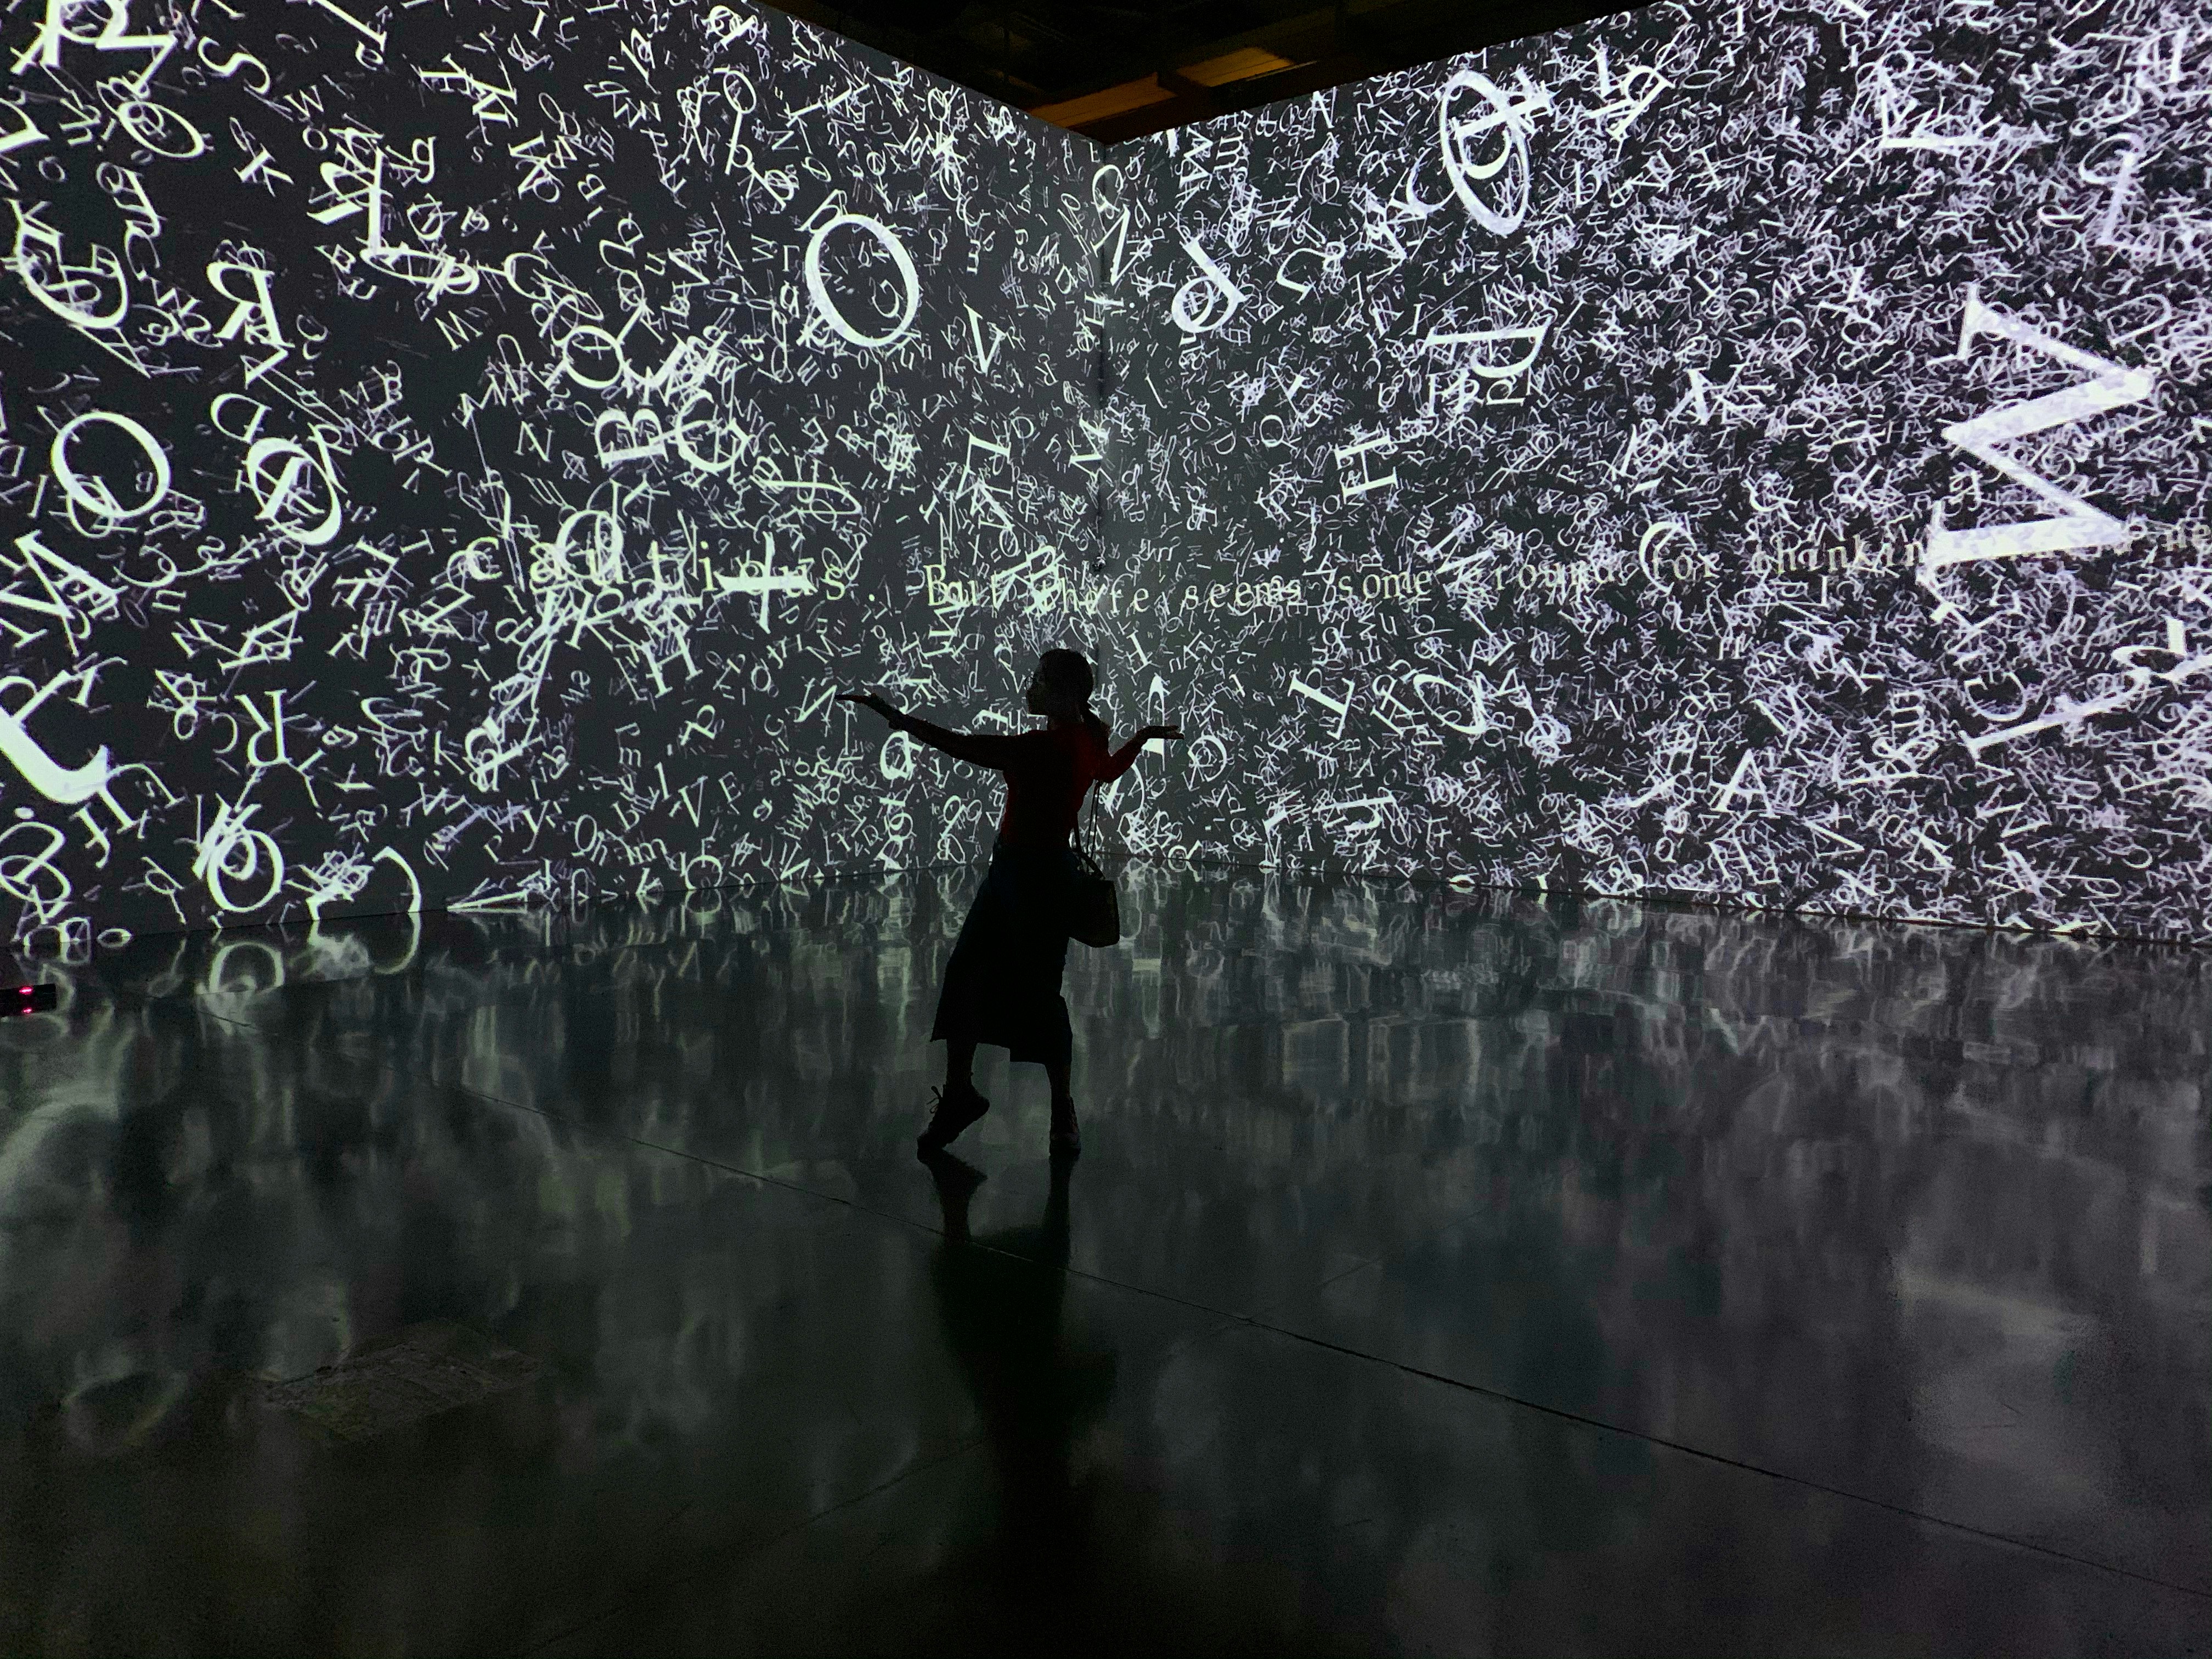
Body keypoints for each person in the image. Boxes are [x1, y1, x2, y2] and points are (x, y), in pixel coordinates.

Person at [838, 650, 1183, 1158]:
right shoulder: (1089, 739)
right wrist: (1142, 738)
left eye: (1040, 679)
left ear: (1063, 693)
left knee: (1008, 985)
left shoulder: (1041, 748)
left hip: (1027, 878)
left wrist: (895, 718)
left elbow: (961, 745)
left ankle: (1047, 1107)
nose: (1030, 686)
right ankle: (972, 1096)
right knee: (992, 979)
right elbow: (1108, 772)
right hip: (1026, 876)